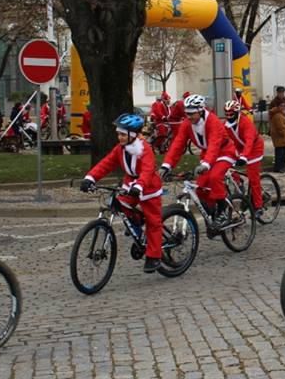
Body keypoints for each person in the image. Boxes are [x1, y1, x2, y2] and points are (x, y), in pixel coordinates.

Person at [81, 113, 163, 272]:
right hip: (130, 184)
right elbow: (106, 164)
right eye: (118, 134)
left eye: (123, 134)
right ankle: (137, 224)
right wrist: (90, 178)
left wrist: (139, 186)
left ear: (133, 135)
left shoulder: (145, 149)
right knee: (119, 203)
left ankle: (154, 256)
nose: (119, 137)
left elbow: (147, 170)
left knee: (153, 222)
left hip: (148, 187)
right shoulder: (119, 149)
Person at [159, 95, 236, 230]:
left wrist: (206, 164)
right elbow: (177, 145)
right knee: (200, 187)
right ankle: (212, 214)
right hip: (207, 154)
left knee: (214, 177)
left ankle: (223, 211)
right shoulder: (187, 124)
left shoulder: (213, 121)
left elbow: (214, 144)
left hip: (224, 151)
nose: (188, 116)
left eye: (192, 113)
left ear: (200, 111)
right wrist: (166, 165)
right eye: (186, 113)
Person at [222, 100, 264, 214]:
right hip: (240, 147)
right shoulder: (226, 125)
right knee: (226, 165)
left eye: (231, 114)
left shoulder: (245, 122)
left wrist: (244, 157)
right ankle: (238, 182)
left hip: (255, 147)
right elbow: (221, 138)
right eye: (226, 114)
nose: (228, 116)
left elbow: (249, 140)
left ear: (236, 113)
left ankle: (258, 205)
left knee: (253, 177)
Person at [268, 86, 285, 172]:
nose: (281, 94)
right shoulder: (274, 102)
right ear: (277, 92)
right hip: (279, 128)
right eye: (280, 92)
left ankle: (284, 163)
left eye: (283, 92)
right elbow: (272, 115)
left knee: (284, 149)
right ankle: (279, 165)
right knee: (280, 150)